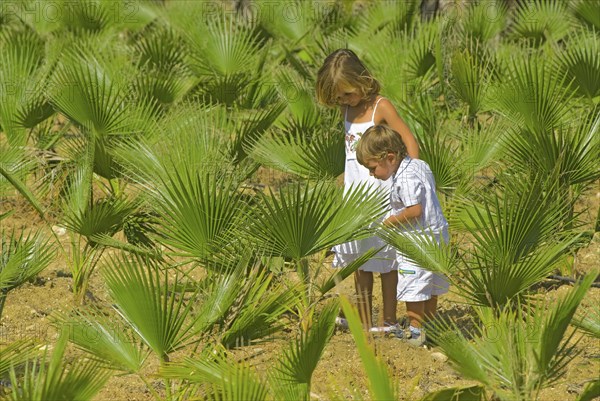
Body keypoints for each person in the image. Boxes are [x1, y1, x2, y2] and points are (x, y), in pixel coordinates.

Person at [316, 49, 419, 330]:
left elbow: (408, 139)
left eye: (347, 94)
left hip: (381, 195)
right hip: (354, 198)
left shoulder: (380, 107)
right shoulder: (347, 109)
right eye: (338, 98)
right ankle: (363, 320)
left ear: (361, 80)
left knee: (386, 261)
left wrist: (412, 177)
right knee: (359, 262)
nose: (343, 100)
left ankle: (387, 320)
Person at [356, 125, 449, 347]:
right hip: (436, 236)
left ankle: (416, 333)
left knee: (413, 287)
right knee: (431, 286)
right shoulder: (419, 165)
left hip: (416, 242)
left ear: (389, 157)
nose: (371, 174)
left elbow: (414, 210)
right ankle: (432, 327)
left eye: (372, 168)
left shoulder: (405, 178)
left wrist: (389, 222)